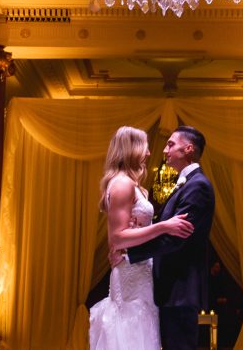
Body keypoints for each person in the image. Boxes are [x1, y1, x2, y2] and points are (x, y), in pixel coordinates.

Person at [87, 126, 194, 350]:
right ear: (131, 149)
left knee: (143, 331)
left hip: (141, 270)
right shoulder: (122, 184)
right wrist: (163, 227)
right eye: (145, 147)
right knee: (131, 333)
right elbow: (117, 238)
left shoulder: (134, 186)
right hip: (130, 274)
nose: (149, 153)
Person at [122, 126, 215, 350]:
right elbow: (167, 230)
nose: (165, 150)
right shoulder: (187, 183)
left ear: (188, 149)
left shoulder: (198, 186)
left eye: (171, 144)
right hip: (172, 289)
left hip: (180, 289)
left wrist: (130, 252)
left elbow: (176, 238)